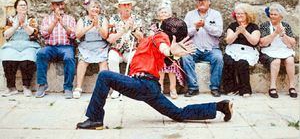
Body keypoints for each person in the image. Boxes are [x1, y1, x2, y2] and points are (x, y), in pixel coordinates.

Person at [76, 17, 233, 130]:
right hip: (150, 88)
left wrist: (170, 51)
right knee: (178, 114)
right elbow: (164, 53)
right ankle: (220, 106)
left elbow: (163, 47)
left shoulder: (159, 36)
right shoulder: (148, 41)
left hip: (143, 84)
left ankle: (95, 119)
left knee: (105, 76)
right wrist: (172, 53)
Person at [181, 0, 224, 97]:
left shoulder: (216, 14)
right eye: (199, 0)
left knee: (218, 58)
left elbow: (219, 33)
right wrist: (195, 28)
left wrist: (205, 25)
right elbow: (184, 33)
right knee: (185, 57)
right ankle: (193, 87)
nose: (201, 2)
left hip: (211, 48)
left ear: (209, 2)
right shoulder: (190, 15)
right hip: (194, 48)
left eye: (203, 0)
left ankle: (215, 87)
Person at [35, 0, 76, 99]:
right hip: (51, 47)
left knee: (69, 57)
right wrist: (54, 22)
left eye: (62, 4)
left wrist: (63, 24)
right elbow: (44, 34)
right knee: (40, 53)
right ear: (52, 6)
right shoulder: (47, 19)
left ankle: (68, 87)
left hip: (66, 47)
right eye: (58, 5)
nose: (61, 7)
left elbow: (73, 35)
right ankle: (42, 84)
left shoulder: (70, 19)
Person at [0, 0, 40, 97]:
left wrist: (25, 25)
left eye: (24, 5)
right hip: (13, 44)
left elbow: (34, 34)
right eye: (21, 5)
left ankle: (26, 87)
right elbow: (6, 35)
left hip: (28, 44)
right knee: (7, 57)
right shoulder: (10, 19)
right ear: (16, 8)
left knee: (28, 58)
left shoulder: (31, 19)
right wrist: (15, 26)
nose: (23, 7)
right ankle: (11, 87)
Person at [107, 0, 144, 99]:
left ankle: (131, 88)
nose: (127, 7)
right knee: (112, 59)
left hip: (131, 49)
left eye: (128, 5)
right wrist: (123, 30)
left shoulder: (136, 19)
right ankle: (116, 88)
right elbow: (111, 38)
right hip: (116, 49)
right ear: (119, 7)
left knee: (135, 60)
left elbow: (141, 38)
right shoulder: (113, 19)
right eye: (124, 5)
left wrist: (133, 29)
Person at [73, 0, 109, 99]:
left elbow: (105, 35)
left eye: (97, 7)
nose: (95, 9)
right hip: (86, 45)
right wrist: (90, 26)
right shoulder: (82, 20)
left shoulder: (103, 19)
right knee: (82, 61)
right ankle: (78, 88)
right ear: (88, 8)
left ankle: (103, 89)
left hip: (100, 45)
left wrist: (97, 25)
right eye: (93, 7)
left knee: (103, 62)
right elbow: (78, 35)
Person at [259, 3, 297, 98]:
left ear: (281, 16)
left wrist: (283, 35)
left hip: (283, 50)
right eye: (271, 14)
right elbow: (263, 43)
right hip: (269, 50)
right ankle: (272, 87)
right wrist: (275, 33)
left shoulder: (285, 25)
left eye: (275, 14)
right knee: (276, 61)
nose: (272, 16)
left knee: (290, 60)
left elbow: (291, 43)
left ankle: (292, 86)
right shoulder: (265, 25)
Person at [222, 3, 260, 97]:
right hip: (233, 50)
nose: (238, 15)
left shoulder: (253, 27)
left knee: (242, 63)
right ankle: (230, 89)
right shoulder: (232, 26)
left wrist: (245, 32)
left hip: (247, 51)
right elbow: (228, 41)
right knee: (228, 61)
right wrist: (237, 32)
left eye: (241, 13)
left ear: (247, 14)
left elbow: (254, 42)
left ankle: (245, 90)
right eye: (237, 14)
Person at [150, 0, 184, 99]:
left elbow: (177, 38)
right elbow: (151, 38)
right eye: (161, 12)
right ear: (158, 14)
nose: (164, 13)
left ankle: (172, 88)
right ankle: (159, 88)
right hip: (159, 51)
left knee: (172, 69)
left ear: (170, 14)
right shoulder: (155, 26)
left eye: (166, 12)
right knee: (160, 70)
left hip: (171, 50)